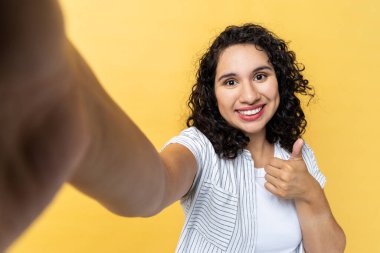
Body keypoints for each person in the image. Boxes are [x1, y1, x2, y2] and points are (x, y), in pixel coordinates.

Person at [0, 1, 345, 252]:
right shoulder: (200, 148)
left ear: (279, 81)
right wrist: (82, 127)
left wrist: (310, 192)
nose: (250, 94)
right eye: (230, 82)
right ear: (213, 94)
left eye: (260, 76)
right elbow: (156, 184)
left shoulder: (296, 155)